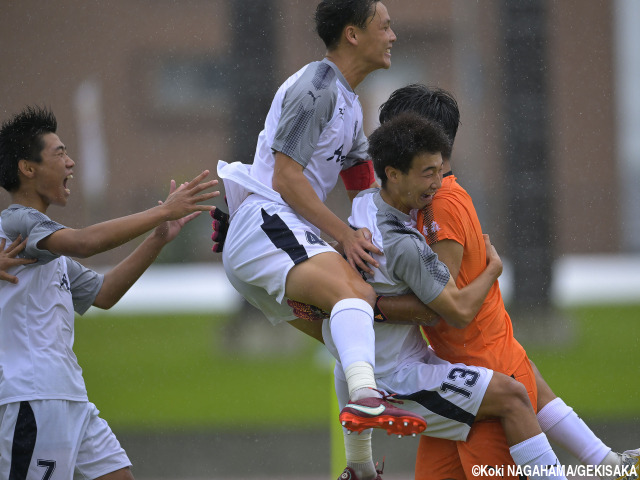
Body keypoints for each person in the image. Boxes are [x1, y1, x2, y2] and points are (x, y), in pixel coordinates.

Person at [376, 84, 639, 480]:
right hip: (463, 373)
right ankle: (613, 466)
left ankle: (611, 465)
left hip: (481, 380)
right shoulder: (436, 197)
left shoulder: (440, 205)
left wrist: (367, 304)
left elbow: (444, 304)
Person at [217, 0, 428, 457]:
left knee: (350, 331)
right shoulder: (317, 87)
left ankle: (361, 466)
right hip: (268, 222)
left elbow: (360, 184)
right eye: (385, 27)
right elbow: (285, 177)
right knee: (353, 297)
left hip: (271, 230)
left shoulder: (349, 102)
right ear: (353, 34)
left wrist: (385, 229)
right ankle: (371, 399)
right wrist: (345, 236)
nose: (393, 37)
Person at [328, 112, 573, 480]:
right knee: (512, 396)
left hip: (373, 366)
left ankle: (602, 458)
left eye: (440, 171)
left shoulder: (365, 202)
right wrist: (492, 269)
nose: (438, 184)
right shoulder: (404, 244)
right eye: (428, 173)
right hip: (396, 380)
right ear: (393, 173)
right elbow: (454, 311)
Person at [0, 105, 218, 480]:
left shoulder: (48, 251)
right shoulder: (18, 221)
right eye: (60, 153)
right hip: (33, 399)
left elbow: (103, 293)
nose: (71, 163)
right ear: (27, 168)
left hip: (70, 399)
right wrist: (161, 212)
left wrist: (158, 239)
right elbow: (85, 242)